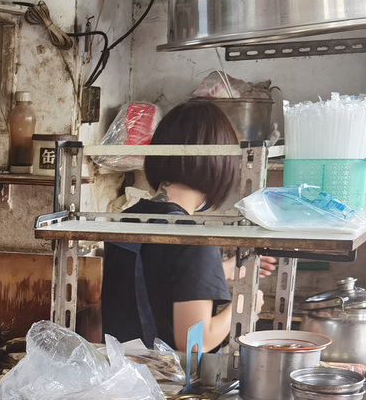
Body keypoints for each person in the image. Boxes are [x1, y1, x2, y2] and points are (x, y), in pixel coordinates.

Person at [101, 99, 273, 352]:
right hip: (169, 385)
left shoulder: (129, 218)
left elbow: (153, 276)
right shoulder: (194, 238)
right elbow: (195, 343)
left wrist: (219, 269)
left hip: (124, 375)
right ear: (220, 165)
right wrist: (244, 303)